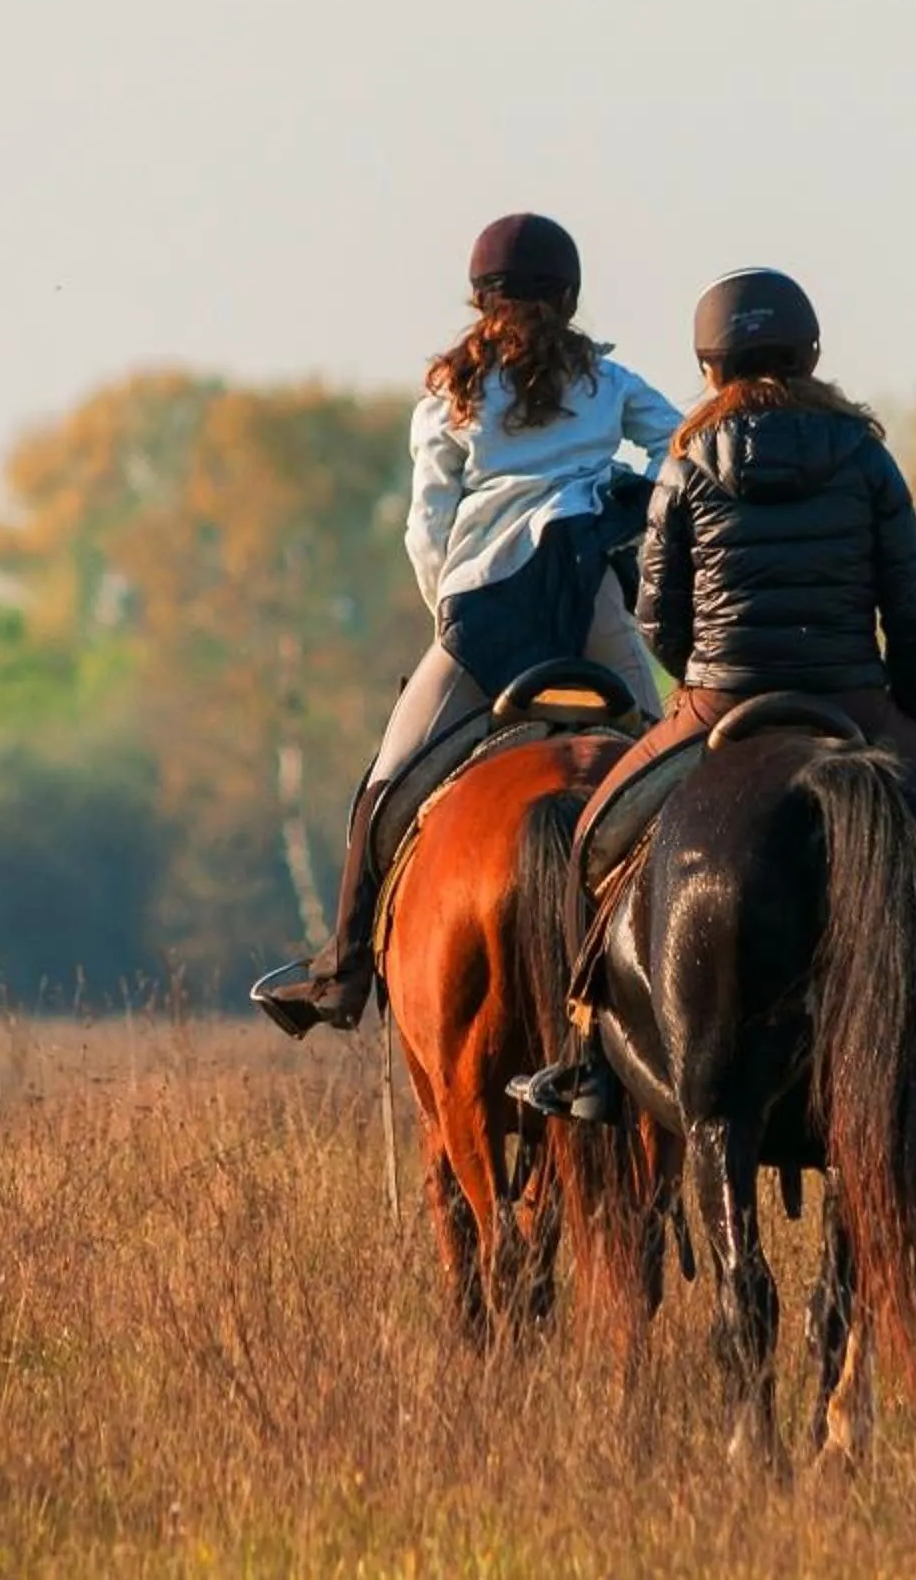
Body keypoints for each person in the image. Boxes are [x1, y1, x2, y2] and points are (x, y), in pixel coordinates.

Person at [510, 267, 916, 1134]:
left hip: (717, 698)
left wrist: (698, 677)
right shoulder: (866, 457)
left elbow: (657, 613)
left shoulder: (685, 464)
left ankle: (587, 1061)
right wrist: (913, 706)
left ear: (710, 365)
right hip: (852, 696)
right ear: (809, 353)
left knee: (588, 842)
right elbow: (914, 604)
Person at [254, 213, 683, 1035]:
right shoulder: (607, 382)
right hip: (589, 605)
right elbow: (678, 452)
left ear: (479, 298)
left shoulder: (447, 393)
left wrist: (447, 618)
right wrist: (620, 493)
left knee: (386, 783)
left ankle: (340, 969)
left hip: (481, 617)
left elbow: (425, 528)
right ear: (569, 296)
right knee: (671, 768)